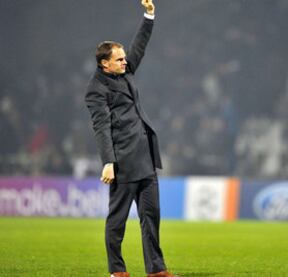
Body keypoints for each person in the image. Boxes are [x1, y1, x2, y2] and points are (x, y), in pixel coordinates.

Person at [85, 1, 178, 276]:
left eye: (124, 57)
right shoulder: (96, 89)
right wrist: (108, 162)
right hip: (123, 162)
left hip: (145, 157)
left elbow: (139, 46)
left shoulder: (125, 71)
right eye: (119, 59)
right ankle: (117, 271)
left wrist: (148, 15)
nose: (125, 61)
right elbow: (101, 127)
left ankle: (157, 270)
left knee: (151, 217)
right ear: (105, 64)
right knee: (118, 221)